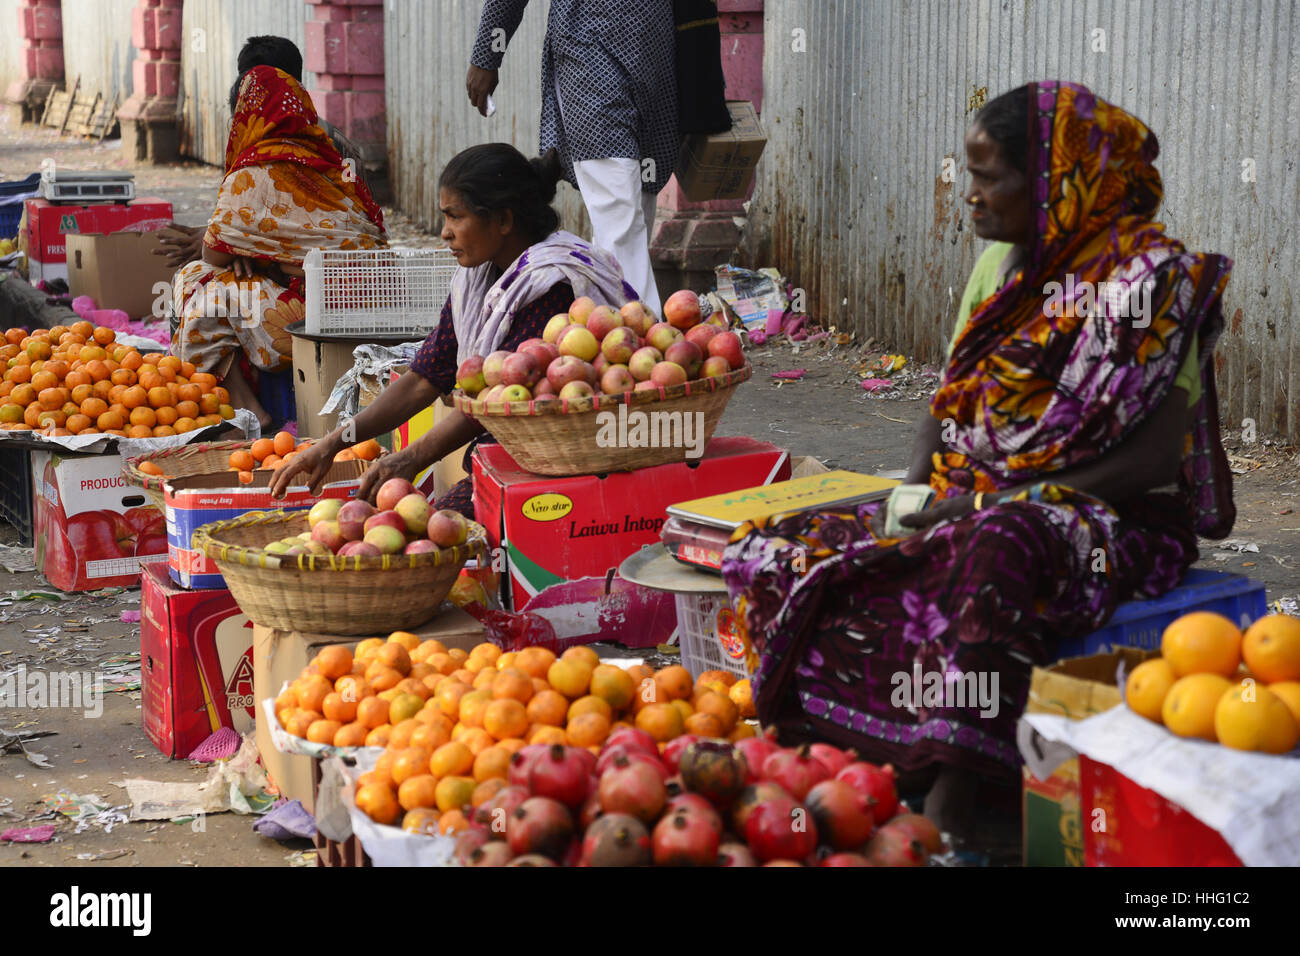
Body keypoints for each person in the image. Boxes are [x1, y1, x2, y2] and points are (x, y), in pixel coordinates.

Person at [719, 82, 1235, 843]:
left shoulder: (1153, 286)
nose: (970, 195)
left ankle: (954, 806)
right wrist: (911, 490)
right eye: (971, 173)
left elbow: (1154, 460)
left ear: (1059, 182)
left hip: (1110, 514)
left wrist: (995, 505)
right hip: (977, 490)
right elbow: (948, 396)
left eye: (989, 176)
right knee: (792, 539)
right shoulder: (1003, 267)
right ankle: (852, 760)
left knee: (998, 548)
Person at [271, 143, 638, 513]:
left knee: (443, 542)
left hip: (564, 461)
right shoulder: (479, 277)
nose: (445, 232)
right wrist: (334, 442)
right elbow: (423, 379)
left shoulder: (551, 286)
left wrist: (411, 458)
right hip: (507, 456)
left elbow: (495, 400)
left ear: (504, 221)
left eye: (455, 217)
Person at [169, 65, 386, 427]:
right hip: (374, 302)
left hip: (316, 318)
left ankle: (213, 411)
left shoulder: (257, 169)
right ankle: (246, 403)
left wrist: (251, 257)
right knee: (210, 284)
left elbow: (212, 253)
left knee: (199, 285)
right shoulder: (332, 157)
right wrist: (261, 258)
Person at [466, 0, 677, 314]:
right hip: (589, 50)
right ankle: (640, 336)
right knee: (617, 198)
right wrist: (488, 52)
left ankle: (608, 325)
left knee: (636, 200)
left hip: (653, 47)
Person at [155, 36, 367, 270]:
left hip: (309, 272)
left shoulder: (273, 147)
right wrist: (235, 241)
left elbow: (336, 225)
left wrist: (243, 248)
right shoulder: (337, 142)